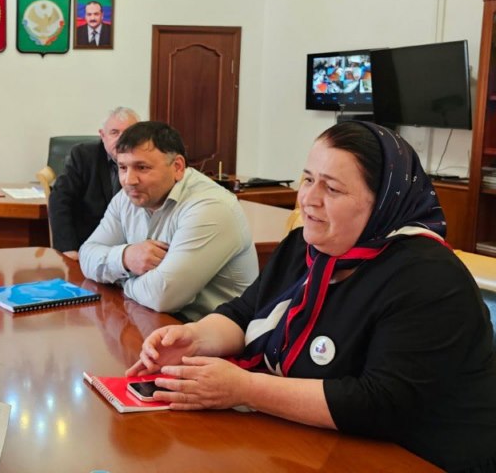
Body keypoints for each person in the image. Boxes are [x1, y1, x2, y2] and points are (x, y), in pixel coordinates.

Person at [127, 121, 496, 472]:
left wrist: (244, 388)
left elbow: (380, 403)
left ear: (383, 202)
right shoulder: (302, 246)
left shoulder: (427, 277)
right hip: (321, 443)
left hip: (421, 458)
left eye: (331, 189)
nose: (308, 199)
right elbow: (245, 312)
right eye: (307, 179)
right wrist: (194, 338)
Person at [80, 121, 258, 321]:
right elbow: (87, 255)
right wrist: (125, 258)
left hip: (213, 332)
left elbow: (162, 296)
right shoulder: (127, 198)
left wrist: (119, 279)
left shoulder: (212, 207)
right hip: (154, 319)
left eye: (142, 167)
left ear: (178, 167)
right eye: (122, 167)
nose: (129, 180)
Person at [49, 107, 139, 259]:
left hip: (132, 248)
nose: (121, 139)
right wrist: (68, 248)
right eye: (114, 132)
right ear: (102, 135)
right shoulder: (83, 156)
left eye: (128, 133)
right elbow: (60, 200)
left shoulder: (147, 162)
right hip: (86, 247)